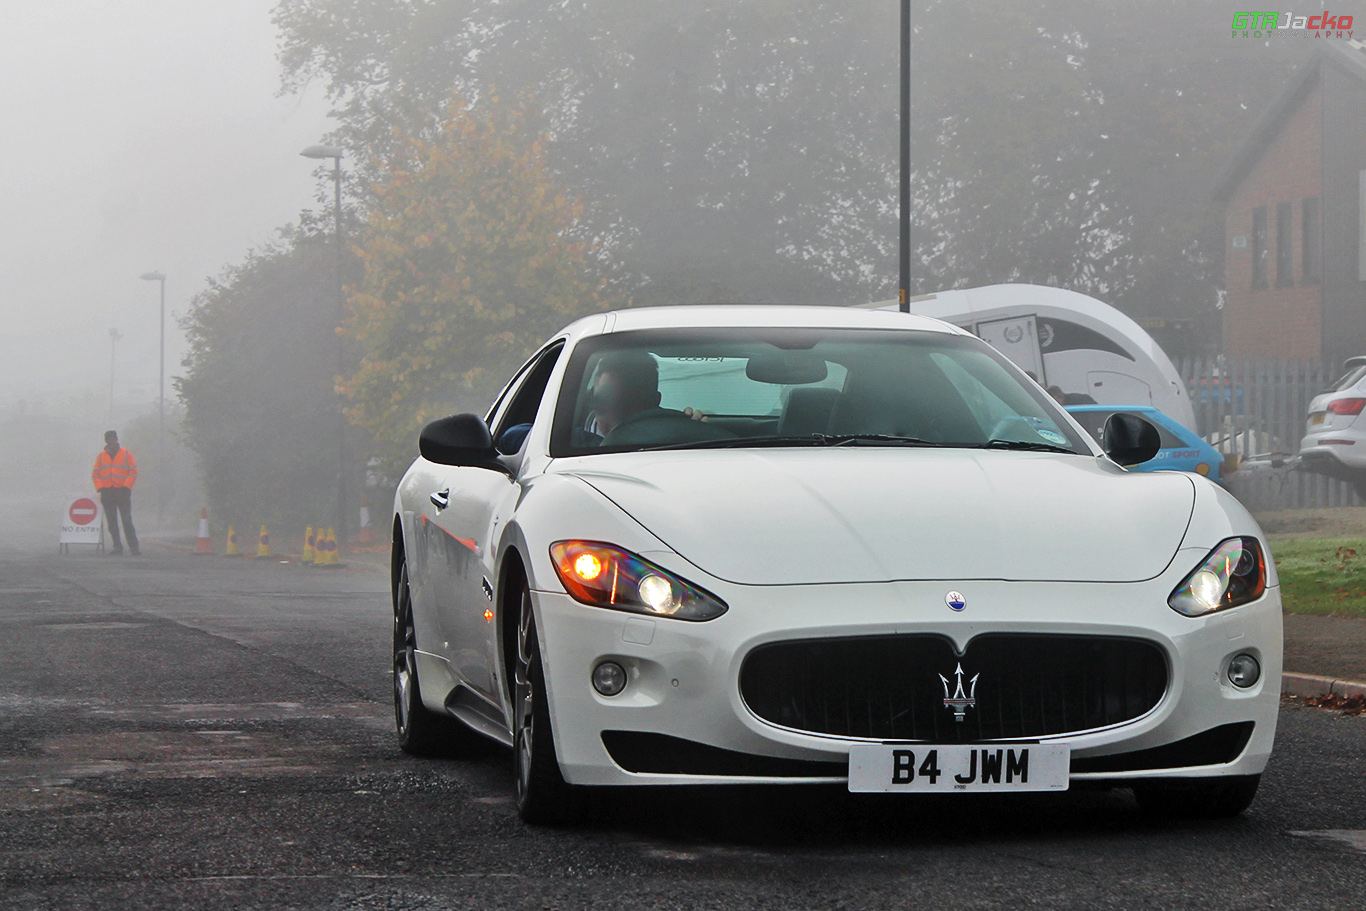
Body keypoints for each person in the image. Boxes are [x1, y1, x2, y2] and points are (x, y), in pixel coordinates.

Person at [92, 430, 139, 556]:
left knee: (127, 520)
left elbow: (133, 471)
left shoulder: (126, 454)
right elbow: (95, 474)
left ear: (116, 439)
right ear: (106, 441)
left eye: (113, 438)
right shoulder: (101, 456)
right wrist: (101, 488)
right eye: (109, 439)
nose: (111, 441)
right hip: (107, 493)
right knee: (112, 522)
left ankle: (134, 547)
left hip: (122, 492)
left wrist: (126, 486)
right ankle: (117, 546)